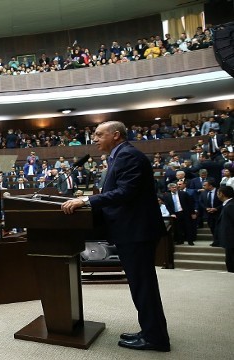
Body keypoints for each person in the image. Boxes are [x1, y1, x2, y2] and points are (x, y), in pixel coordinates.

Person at [61, 121, 170, 352]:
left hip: (136, 231)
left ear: (116, 135)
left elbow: (125, 193)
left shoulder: (128, 156)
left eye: (99, 135)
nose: (95, 139)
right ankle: (150, 331)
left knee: (143, 286)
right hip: (132, 230)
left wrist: (87, 200)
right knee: (141, 285)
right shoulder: (119, 155)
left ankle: (156, 338)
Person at [214, 185, 234, 272]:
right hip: (229, 241)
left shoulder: (230, 206)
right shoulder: (227, 205)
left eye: (218, 193)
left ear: (221, 194)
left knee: (231, 262)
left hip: (232, 241)